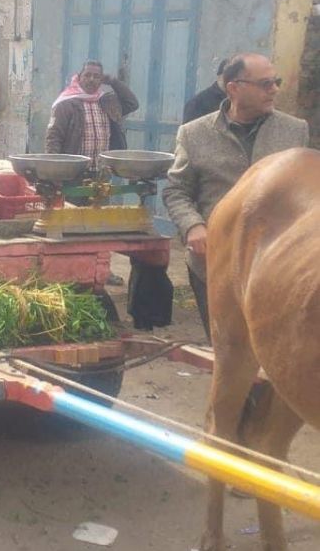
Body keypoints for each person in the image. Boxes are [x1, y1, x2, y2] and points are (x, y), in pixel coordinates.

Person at [163, 53, 309, 338]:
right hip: (215, 261)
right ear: (234, 88)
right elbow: (176, 190)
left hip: (277, 263)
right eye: (265, 84)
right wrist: (192, 226)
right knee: (226, 347)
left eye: (276, 82)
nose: (274, 90)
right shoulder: (194, 134)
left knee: (273, 347)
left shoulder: (294, 131)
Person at [46, 60, 139, 165]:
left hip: (103, 170)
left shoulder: (107, 102)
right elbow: (54, 137)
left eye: (96, 76)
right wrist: (54, 166)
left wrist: (113, 81)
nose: (91, 79)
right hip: (75, 169)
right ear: (79, 78)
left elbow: (132, 103)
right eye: (87, 75)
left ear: (101, 80)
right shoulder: (66, 104)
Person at [183, 58, 229, 124]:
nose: (232, 79)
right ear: (219, 75)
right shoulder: (198, 103)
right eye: (229, 75)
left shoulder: (238, 101)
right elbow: (189, 129)